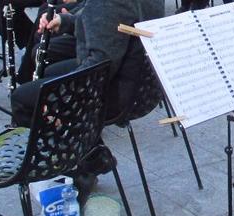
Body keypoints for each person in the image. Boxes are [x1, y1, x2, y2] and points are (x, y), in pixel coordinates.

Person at [9, 0, 162, 196]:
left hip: (118, 91)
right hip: (137, 82)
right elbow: (112, 23)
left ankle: (77, 170)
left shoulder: (106, 4)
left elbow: (99, 67)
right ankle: (93, 153)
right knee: (50, 72)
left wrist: (59, 99)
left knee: (23, 99)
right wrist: (66, 21)